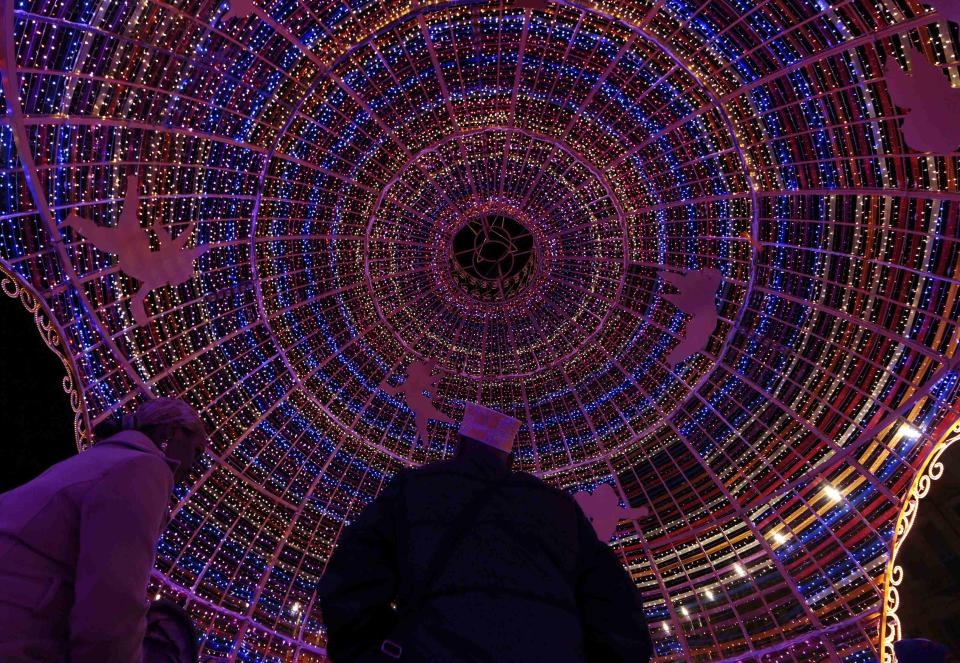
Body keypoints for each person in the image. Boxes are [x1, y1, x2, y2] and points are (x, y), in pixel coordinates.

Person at [319, 402, 652, 662]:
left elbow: (349, 581)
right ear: (508, 456)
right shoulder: (558, 506)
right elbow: (617, 607)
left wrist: (380, 654)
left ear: (460, 445)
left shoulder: (415, 487)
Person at [0, 397, 208, 663]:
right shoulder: (143, 468)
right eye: (197, 452)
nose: (193, 468)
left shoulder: (103, 458)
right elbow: (110, 609)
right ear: (171, 432)